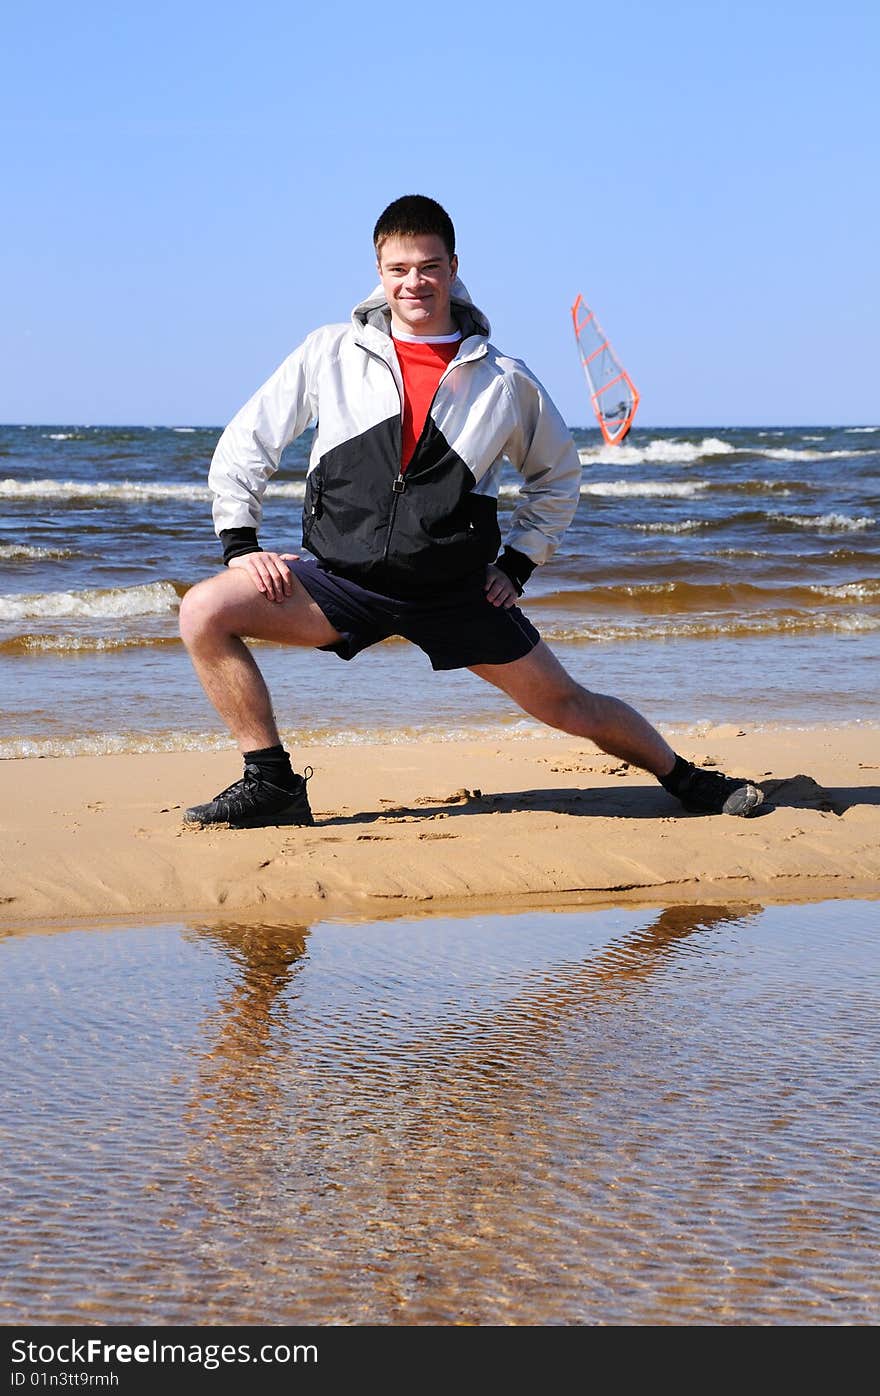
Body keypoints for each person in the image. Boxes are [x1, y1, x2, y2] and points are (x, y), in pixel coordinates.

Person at [179, 194, 763, 828]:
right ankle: (271, 781)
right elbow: (248, 441)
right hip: (342, 583)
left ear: (453, 267)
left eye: (428, 266)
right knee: (203, 611)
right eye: (399, 268)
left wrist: (517, 563)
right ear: (379, 270)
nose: (414, 282)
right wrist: (243, 544)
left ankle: (687, 779)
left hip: (453, 591)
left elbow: (558, 476)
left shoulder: (504, 380)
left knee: (569, 705)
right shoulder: (329, 353)